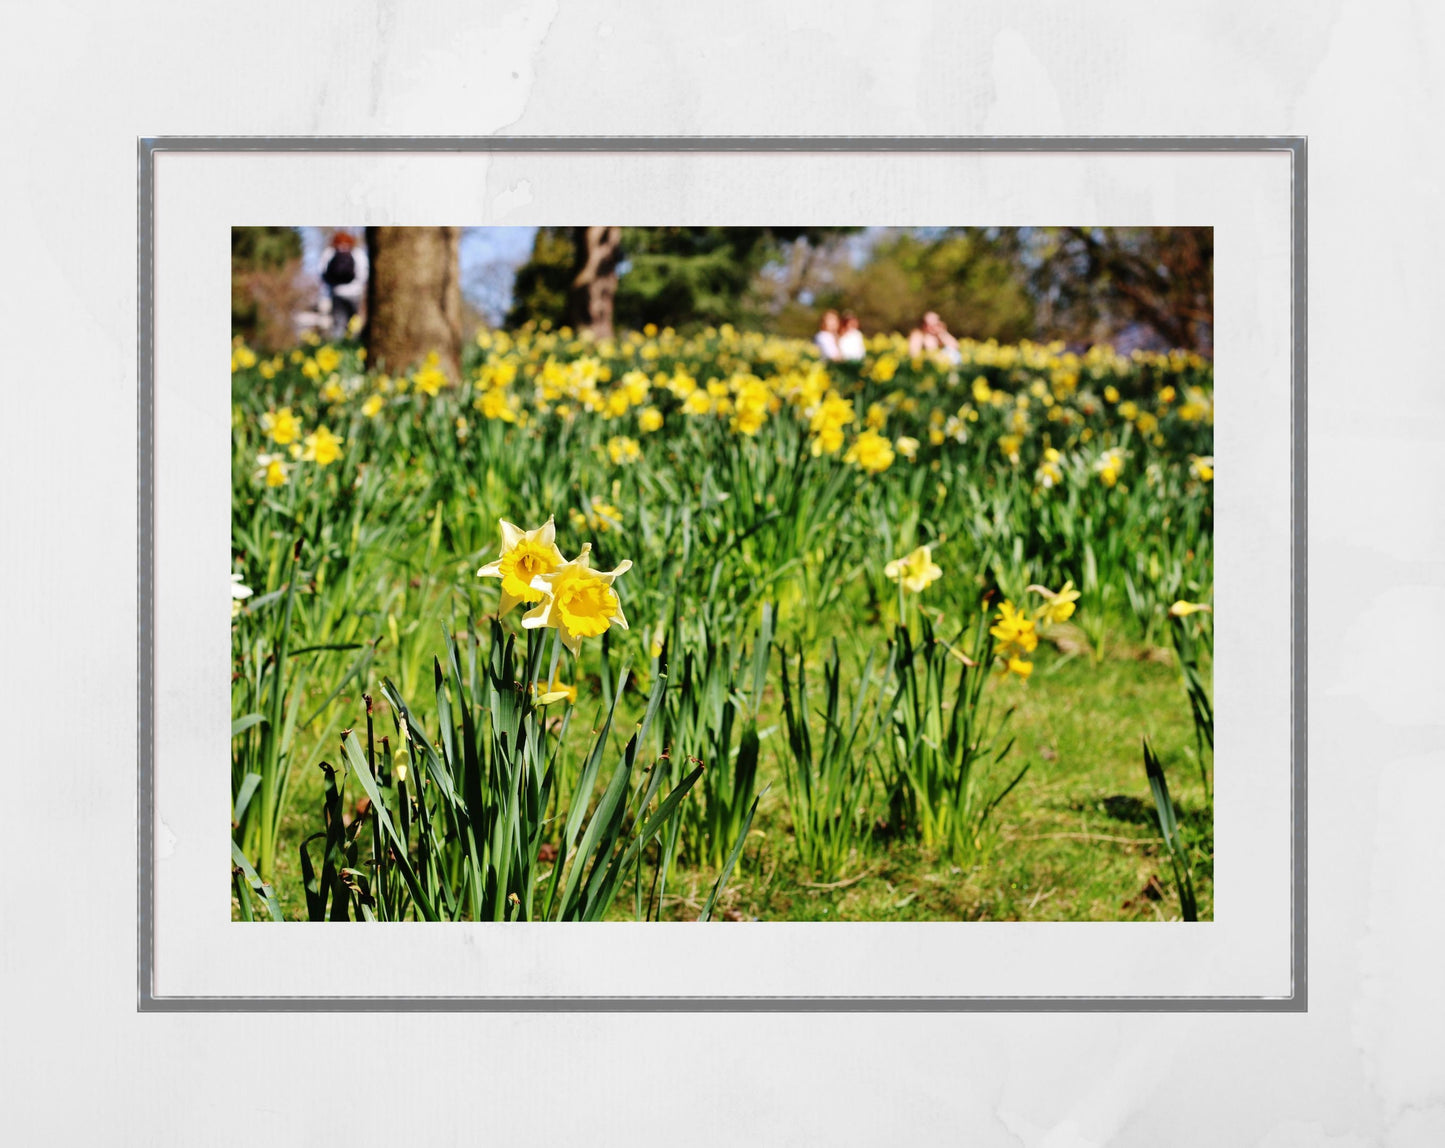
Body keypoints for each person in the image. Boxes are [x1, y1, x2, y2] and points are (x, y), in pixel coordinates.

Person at [318, 231, 368, 340]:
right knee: (354, 321)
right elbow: (363, 273)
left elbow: (322, 273)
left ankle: (338, 345)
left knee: (338, 321)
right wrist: (358, 287)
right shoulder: (357, 253)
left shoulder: (329, 253)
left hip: (337, 292)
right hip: (355, 292)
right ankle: (353, 344)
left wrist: (331, 288)